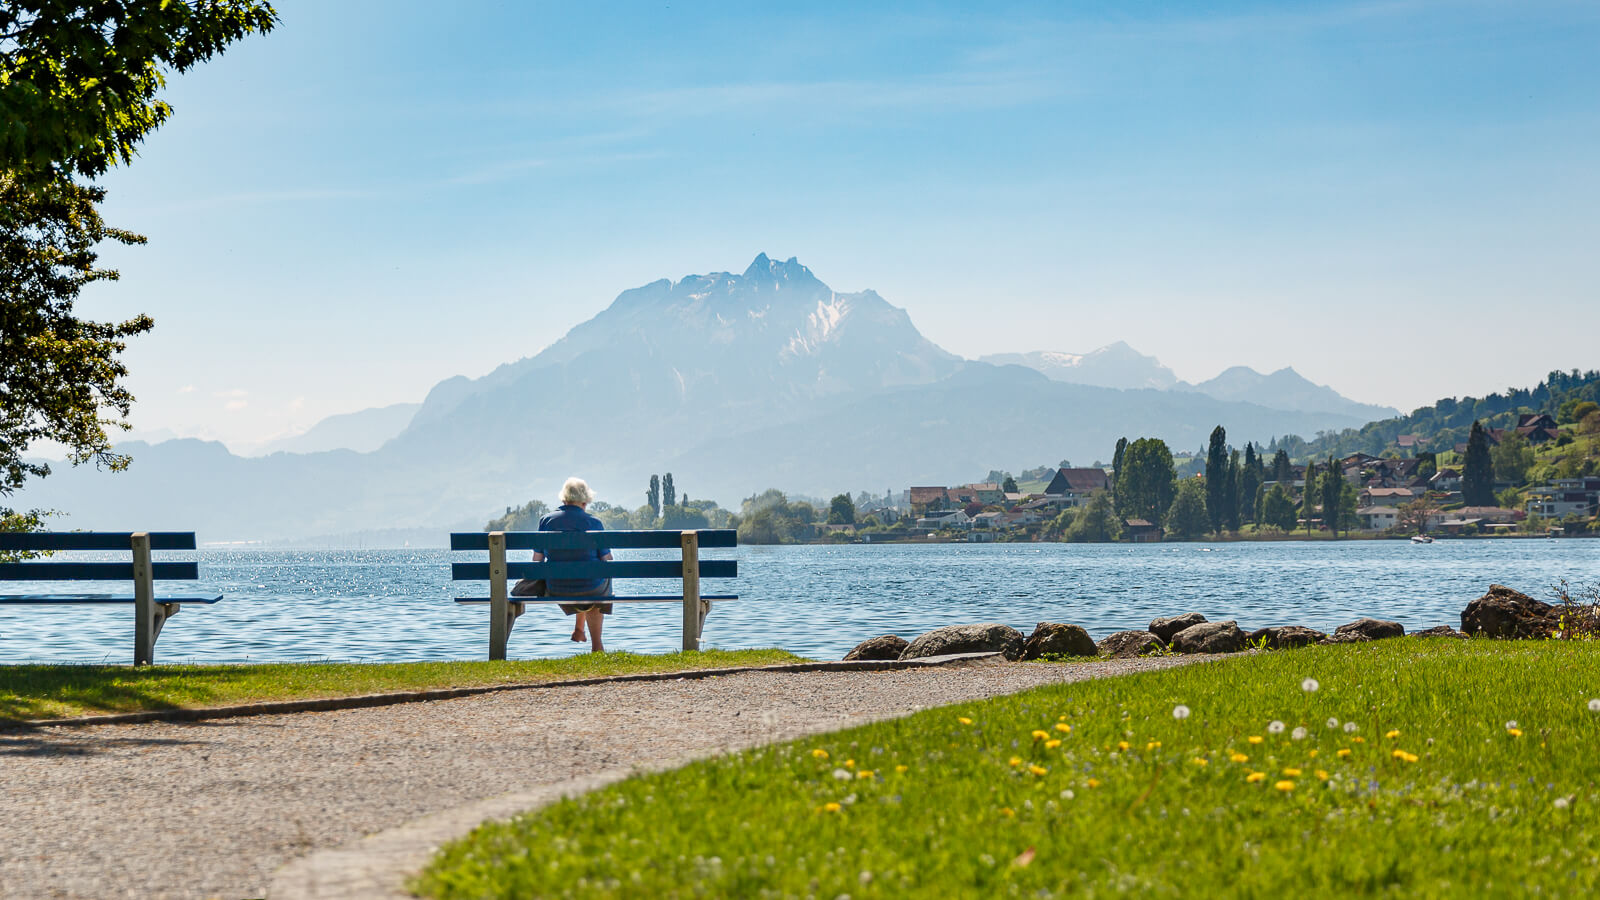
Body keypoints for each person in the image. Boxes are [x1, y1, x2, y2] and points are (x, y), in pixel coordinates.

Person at [531, 477, 613, 652]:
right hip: (592, 588)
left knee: (582, 575)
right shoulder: (594, 523)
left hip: (557, 587)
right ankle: (597, 646)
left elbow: (536, 561)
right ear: (585, 501)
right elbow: (609, 563)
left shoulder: (546, 521)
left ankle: (579, 629)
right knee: (595, 579)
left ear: (564, 499)